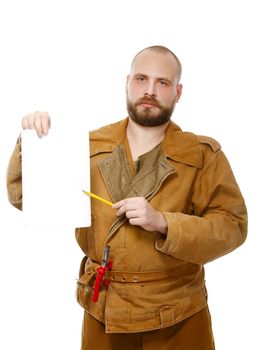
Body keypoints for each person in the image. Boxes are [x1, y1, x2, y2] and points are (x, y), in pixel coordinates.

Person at [7, 45, 247, 350]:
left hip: (179, 317)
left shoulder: (202, 156)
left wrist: (164, 222)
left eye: (162, 83)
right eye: (141, 79)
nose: (150, 90)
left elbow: (233, 227)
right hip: (104, 313)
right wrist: (32, 143)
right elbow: (24, 197)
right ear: (127, 82)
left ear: (178, 91)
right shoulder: (86, 148)